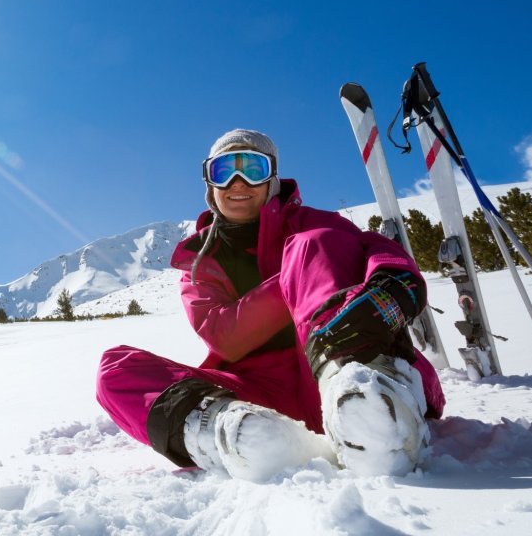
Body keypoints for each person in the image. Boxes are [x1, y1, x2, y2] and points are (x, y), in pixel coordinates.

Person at [95, 129, 445, 480]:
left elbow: (375, 247)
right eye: (223, 171)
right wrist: (290, 280)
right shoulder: (200, 263)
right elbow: (224, 336)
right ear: (209, 184)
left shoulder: (314, 226)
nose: (237, 182)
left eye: (252, 168)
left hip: (335, 366)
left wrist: (393, 277)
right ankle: (236, 433)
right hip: (261, 396)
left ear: (272, 179)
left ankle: (370, 406)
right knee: (115, 370)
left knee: (314, 244)